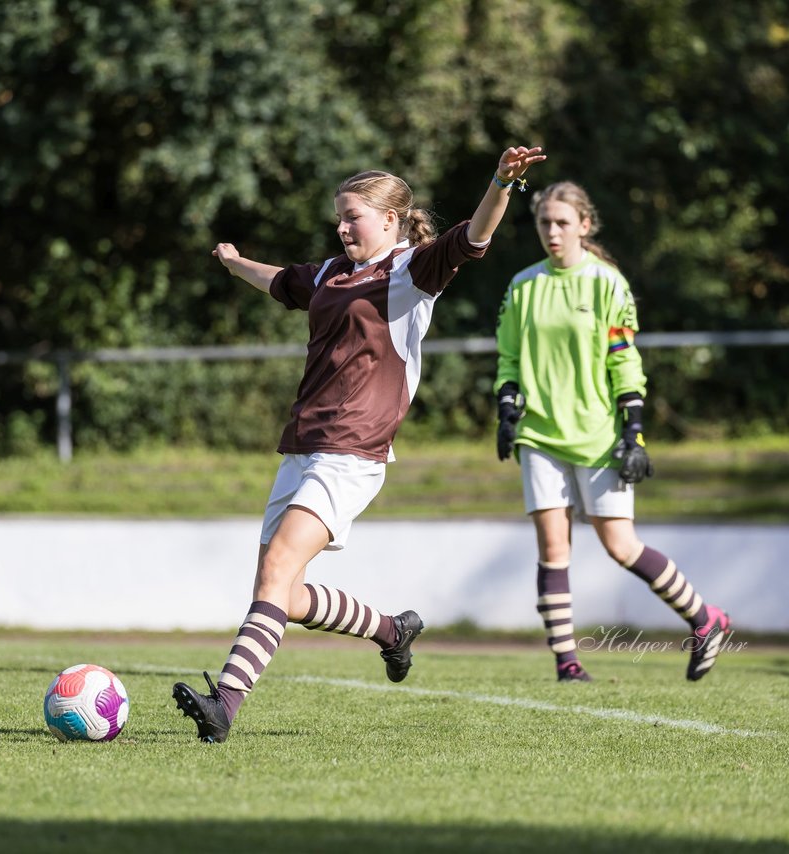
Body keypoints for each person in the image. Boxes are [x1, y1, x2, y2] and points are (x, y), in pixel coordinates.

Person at [172, 145, 546, 742]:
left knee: (275, 569)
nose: (343, 226)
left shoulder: (411, 271)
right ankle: (392, 632)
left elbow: (472, 238)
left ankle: (225, 705)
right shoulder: (328, 274)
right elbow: (283, 283)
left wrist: (501, 181)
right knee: (283, 593)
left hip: (352, 449)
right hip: (302, 444)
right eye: (339, 217)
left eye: (354, 216)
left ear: (392, 219)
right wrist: (236, 262)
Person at [493, 181, 730, 683]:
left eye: (562, 222)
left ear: (584, 224)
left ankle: (705, 620)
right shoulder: (522, 286)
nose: (552, 232)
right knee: (553, 551)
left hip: (599, 436)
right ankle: (567, 664)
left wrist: (634, 432)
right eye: (544, 223)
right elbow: (509, 359)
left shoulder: (608, 284)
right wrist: (507, 409)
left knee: (621, 547)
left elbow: (625, 362)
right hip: (539, 435)